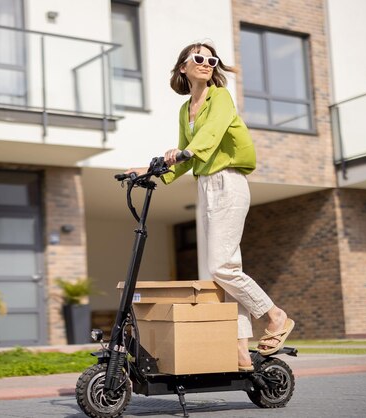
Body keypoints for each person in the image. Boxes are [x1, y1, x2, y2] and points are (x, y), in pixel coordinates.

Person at [125, 41, 294, 371]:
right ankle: (242, 354)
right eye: (198, 58)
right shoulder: (185, 109)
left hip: (228, 181)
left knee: (222, 268)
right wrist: (148, 170)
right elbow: (184, 159)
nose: (206, 63)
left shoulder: (220, 97)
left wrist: (185, 151)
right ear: (183, 68)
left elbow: (211, 137)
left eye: (211, 59)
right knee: (223, 275)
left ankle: (275, 315)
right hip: (206, 186)